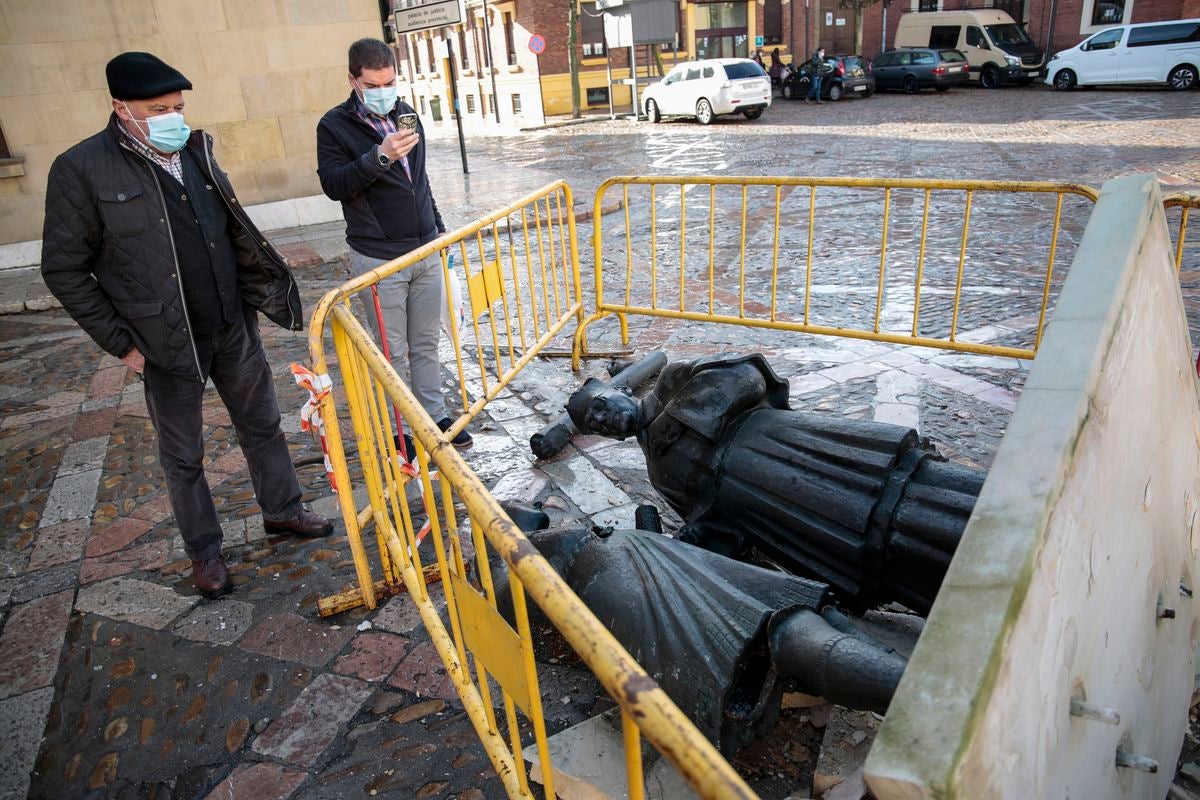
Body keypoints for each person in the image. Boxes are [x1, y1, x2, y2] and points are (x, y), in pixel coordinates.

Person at [41, 52, 334, 600]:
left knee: (263, 425)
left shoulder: (195, 148)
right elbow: (63, 268)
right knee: (184, 456)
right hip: (164, 342)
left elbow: (228, 227)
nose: (173, 117)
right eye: (158, 109)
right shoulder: (81, 168)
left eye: (178, 107)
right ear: (120, 108)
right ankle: (205, 554)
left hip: (231, 324)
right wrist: (121, 343)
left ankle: (283, 509)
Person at [567, 354, 985, 614]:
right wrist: (695, 534)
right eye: (596, 424)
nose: (604, 420)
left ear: (620, 393)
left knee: (890, 491)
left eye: (602, 406)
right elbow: (716, 526)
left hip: (791, 450)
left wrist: (690, 417)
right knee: (867, 555)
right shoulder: (658, 475)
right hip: (771, 510)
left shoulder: (672, 383)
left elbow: (747, 373)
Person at [316, 38, 471, 453]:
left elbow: (418, 179)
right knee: (391, 352)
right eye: (373, 84)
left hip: (424, 251)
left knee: (426, 343)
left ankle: (435, 417)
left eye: (390, 81)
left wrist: (437, 228)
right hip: (378, 258)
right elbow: (334, 185)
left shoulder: (407, 114)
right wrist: (378, 157)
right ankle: (401, 428)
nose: (384, 91)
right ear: (353, 80)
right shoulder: (333, 125)